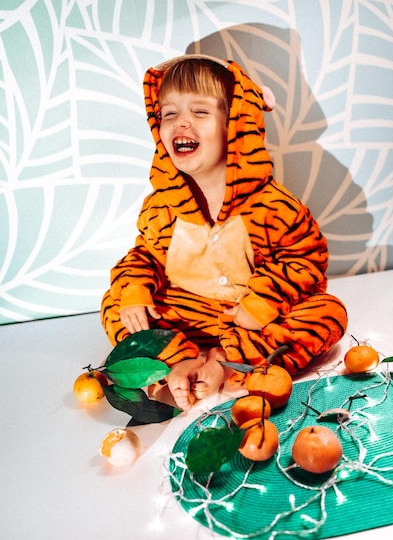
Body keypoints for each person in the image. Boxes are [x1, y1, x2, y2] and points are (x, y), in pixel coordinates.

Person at [101, 55, 348, 411]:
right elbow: (144, 255)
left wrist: (261, 302)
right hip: (184, 316)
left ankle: (223, 362)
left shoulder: (274, 206)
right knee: (115, 305)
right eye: (169, 114)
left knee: (328, 313)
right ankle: (178, 360)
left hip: (250, 321)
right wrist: (136, 291)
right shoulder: (160, 207)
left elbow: (304, 259)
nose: (181, 121)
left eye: (200, 112)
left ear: (236, 124)